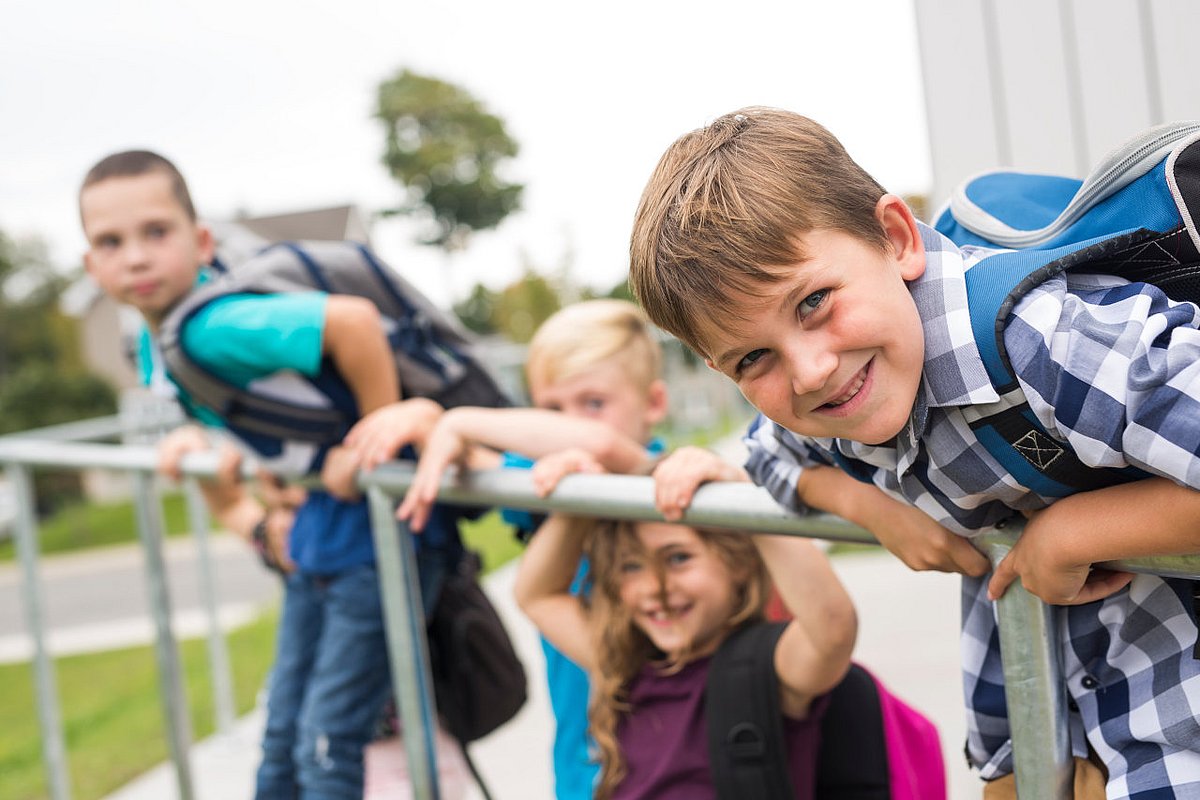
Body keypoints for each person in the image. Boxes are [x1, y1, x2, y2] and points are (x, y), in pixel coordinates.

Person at [626, 105, 1200, 799]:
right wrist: (872, 508)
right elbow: (767, 454)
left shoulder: (1044, 339)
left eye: (813, 302)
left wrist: (1074, 534)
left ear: (896, 239)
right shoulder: (832, 399)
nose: (809, 371)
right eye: (753, 357)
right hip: (1049, 717)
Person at [78, 149, 470, 799]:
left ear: (202, 242)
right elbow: (252, 408)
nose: (136, 257)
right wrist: (201, 437)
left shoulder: (212, 326)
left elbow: (352, 322)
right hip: (324, 533)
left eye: (156, 232)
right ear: (92, 266)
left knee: (324, 741)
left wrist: (372, 443)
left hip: (371, 532)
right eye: (110, 242)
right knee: (286, 733)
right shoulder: (159, 342)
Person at [388, 298, 668, 799]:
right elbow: (477, 458)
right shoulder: (545, 478)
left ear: (653, 404)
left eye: (594, 403)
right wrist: (431, 420)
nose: (570, 427)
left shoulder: (661, 479)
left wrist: (458, 421)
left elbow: (600, 448)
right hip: (582, 767)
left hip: (674, 753)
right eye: (551, 410)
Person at [510, 442, 857, 800]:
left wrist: (743, 495)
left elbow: (832, 628)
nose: (654, 589)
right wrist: (581, 499)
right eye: (630, 566)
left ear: (740, 562)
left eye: (677, 558)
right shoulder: (629, 666)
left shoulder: (771, 668)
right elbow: (538, 595)